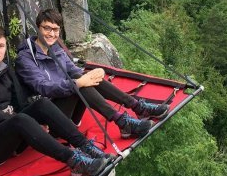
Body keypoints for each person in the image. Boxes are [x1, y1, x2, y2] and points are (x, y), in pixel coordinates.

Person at [0, 24, 111, 176]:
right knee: (21, 119)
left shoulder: (5, 70)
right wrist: (30, 123)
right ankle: (76, 162)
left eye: (1, 45)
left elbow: (21, 103)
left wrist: (34, 123)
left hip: (12, 134)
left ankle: (85, 146)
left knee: (41, 105)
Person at [15, 9, 169, 139]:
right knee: (78, 83)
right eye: (47, 28)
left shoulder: (55, 49)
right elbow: (44, 88)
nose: (51, 33)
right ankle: (123, 121)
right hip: (49, 121)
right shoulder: (25, 58)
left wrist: (94, 74)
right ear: (38, 28)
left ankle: (137, 107)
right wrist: (79, 82)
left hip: (68, 111)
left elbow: (74, 71)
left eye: (55, 30)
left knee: (82, 78)